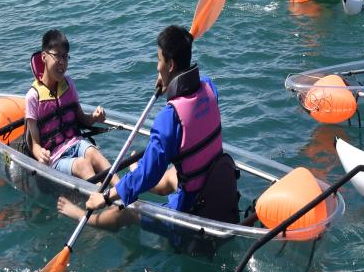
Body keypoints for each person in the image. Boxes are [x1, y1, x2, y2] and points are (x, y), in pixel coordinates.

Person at [56, 25, 237, 231]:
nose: (156, 67)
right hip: (216, 185)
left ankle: (86, 217)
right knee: (170, 175)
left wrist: (106, 197)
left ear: (169, 65)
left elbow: (150, 174)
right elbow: (191, 85)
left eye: (159, 61)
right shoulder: (209, 88)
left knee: (128, 209)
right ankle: (133, 177)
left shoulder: (169, 118)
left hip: (193, 210)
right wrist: (170, 82)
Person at [25, 29, 110, 180]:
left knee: (93, 153)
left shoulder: (68, 84)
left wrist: (95, 117)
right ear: (44, 57)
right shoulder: (33, 96)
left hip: (75, 142)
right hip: (56, 157)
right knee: (83, 165)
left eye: (65, 57)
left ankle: (124, 190)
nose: (62, 62)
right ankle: (105, 201)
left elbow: (82, 119)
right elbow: (34, 144)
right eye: (57, 55)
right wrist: (41, 155)